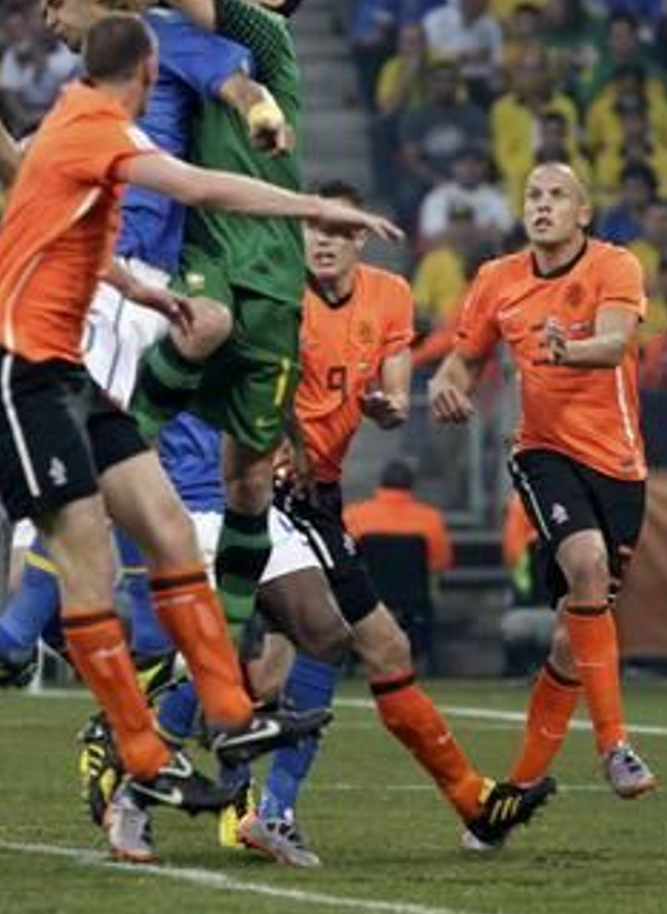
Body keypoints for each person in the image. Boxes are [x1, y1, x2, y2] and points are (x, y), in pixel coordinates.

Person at [0, 13, 386, 860]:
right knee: (179, 624)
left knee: (327, 631)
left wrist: (286, 423)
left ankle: (264, 805)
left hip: (236, 482)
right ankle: (129, 768)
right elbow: (190, 198)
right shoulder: (165, 219)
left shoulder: (274, 268)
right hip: (171, 466)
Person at [0, 0, 289, 692]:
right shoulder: (82, 91)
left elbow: (236, 83)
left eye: (55, 3)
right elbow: (28, 186)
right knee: (115, 493)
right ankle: (127, 656)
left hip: (128, 280)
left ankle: (36, 640)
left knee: (101, 469)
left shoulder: (161, 38)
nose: (48, 22)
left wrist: (264, 115)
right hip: (91, 281)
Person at [155, 184, 550, 866]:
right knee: (358, 642)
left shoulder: (390, 295)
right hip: (266, 490)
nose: (324, 240)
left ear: (361, 238)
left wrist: (390, 406)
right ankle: (238, 790)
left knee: (298, 666)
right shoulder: (274, 296)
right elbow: (250, 385)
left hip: (323, 494)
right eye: (313, 226)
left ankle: (188, 765)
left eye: (338, 229)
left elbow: (396, 390)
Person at [60, 0, 316, 648]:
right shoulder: (189, 40)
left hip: (273, 265)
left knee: (248, 481)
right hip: (207, 252)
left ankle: (232, 634)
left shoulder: (262, 35)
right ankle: (123, 446)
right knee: (203, 326)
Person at [429, 162, 660, 803]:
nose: (543, 205)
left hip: (617, 465)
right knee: (583, 564)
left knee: (568, 640)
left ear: (583, 213)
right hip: (542, 451)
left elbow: (614, 344)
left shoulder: (616, 266)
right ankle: (615, 745)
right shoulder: (496, 279)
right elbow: (462, 359)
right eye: (534, 195)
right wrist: (446, 384)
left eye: (558, 196)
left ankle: (518, 789)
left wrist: (569, 349)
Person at [343, 459, 454, 575]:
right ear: (412, 486)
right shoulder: (431, 518)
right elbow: (442, 562)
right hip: (414, 590)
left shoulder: (352, 516)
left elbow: (344, 556)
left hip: (367, 591)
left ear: (380, 484)